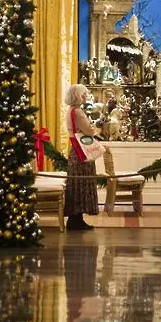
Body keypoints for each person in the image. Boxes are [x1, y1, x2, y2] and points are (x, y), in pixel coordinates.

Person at [64, 83, 101, 230]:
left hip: (75, 150)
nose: (86, 96)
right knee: (81, 183)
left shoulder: (70, 110)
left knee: (76, 185)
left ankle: (75, 218)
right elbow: (90, 131)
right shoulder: (78, 112)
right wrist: (95, 127)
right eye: (84, 94)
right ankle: (76, 221)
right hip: (82, 152)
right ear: (78, 95)